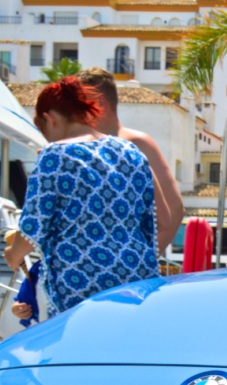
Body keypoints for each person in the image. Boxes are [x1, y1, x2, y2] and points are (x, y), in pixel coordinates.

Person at [4, 77, 159, 317]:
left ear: (49, 119)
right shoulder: (131, 152)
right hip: (135, 278)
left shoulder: (55, 155)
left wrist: (13, 256)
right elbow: (148, 224)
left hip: (79, 282)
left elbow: (32, 228)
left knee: (79, 351)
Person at [77, 68, 182, 253]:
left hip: (126, 272)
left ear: (99, 103)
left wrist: (147, 260)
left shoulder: (138, 143)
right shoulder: (77, 147)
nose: (73, 113)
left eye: (78, 104)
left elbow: (175, 209)